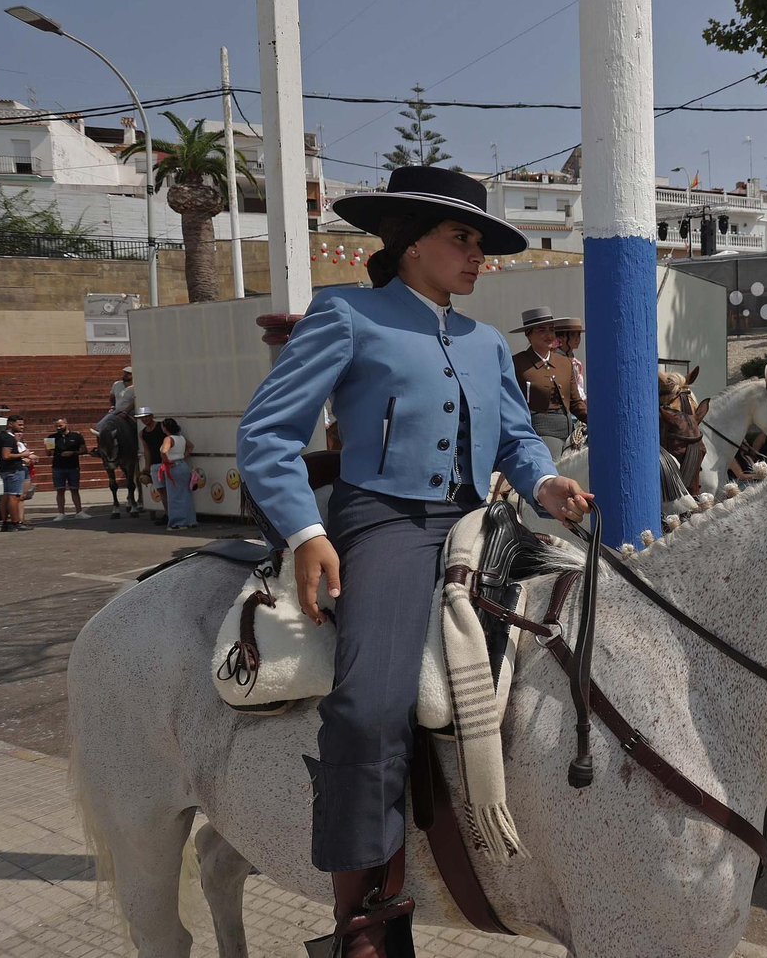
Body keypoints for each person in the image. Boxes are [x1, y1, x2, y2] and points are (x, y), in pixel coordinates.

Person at [235, 166, 590, 958]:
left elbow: (516, 437)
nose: (477, 255)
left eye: (481, 241)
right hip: (386, 522)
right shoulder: (347, 314)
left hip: (482, 520)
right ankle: (362, 919)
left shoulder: (486, 342)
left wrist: (545, 481)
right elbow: (266, 434)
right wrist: (307, 531)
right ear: (410, 242)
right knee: (369, 706)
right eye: (463, 237)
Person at [508, 306, 588, 458]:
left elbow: (576, 403)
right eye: (542, 330)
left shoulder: (565, 363)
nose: (549, 335)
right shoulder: (517, 363)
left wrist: (594, 420)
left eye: (551, 330)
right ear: (528, 335)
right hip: (540, 430)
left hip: (569, 427)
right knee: (554, 463)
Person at [0, 414, 34, 532]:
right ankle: (15, 522)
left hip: (5, 469)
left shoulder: (1, 436)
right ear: (10, 424)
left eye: (22, 425)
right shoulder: (8, 438)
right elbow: (6, 455)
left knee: (7, 495)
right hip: (14, 470)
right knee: (14, 496)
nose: (22, 427)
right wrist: (23, 454)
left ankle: (5, 523)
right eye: (19, 424)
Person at [47, 418, 91, 521]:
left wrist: (73, 453)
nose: (58, 428)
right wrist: (48, 449)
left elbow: (84, 450)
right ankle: (61, 513)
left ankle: (79, 511)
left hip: (73, 466)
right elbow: (48, 453)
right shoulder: (51, 437)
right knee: (60, 490)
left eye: (60, 425)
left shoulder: (76, 436)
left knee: (74, 489)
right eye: (56, 426)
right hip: (58, 466)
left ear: (66, 424)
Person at [158, 417, 197, 529]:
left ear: (165, 428)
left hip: (173, 467)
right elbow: (191, 446)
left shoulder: (168, 439)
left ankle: (177, 522)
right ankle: (190, 520)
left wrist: (167, 461)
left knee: (174, 495)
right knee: (185, 494)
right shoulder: (181, 438)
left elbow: (164, 451)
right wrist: (183, 456)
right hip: (183, 465)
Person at [136, 408, 168, 525]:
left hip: (167, 463)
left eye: (146, 416)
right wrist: (147, 466)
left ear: (151, 416)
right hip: (155, 465)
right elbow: (147, 450)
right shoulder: (143, 433)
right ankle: (168, 514)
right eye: (142, 417)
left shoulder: (161, 427)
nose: (144, 419)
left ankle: (175, 514)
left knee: (170, 490)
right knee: (161, 490)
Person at [551, 315, 587, 403]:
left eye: (578, 335)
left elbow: (579, 388)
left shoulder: (576, 363)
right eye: (572, 335)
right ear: (561, 338)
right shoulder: (554, 360)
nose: (577, 339)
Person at [92, 366, 136, 438]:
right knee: (99, 425)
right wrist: (112, 407)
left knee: (136, 426)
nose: (125, 375)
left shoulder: (136, 387)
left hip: (131, 412)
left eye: (128, 373)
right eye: (125, 373)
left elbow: (135, 402)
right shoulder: (117, 384)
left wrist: (125, 412)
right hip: (117, 410)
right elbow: (112, 397)